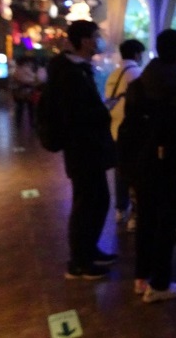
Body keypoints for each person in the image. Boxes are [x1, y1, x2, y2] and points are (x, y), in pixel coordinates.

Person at [123, 29, 176, 303]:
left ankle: (142, 278)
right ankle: (160, 284)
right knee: (166, 224)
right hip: (172, 167)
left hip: (142, 164)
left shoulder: (138, 86)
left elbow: (130, 129)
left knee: (146, 219)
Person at [45, 20, 117, 280]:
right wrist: (103, 110)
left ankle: (89, 250)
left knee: (96, 200)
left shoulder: (76, 69)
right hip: (82, 148)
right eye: (96, 36)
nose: (99, 41)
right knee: (88, 203)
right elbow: (75, 115)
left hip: (86, 147)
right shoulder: (70, 73)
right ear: (85, 41)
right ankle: (79, 262)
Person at [104, 39, 145, 232]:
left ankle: (121, 209)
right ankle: (135, 215)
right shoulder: (136, 73)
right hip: (131, 132)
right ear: (137, 54)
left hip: (114, 130)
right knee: (134, 173)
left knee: (120, 172)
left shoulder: (113, 74)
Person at [11, 56, 39, 129]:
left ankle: (18, 124)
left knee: (20, 108)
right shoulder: (26, 69)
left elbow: (15, 78)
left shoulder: (17, 69)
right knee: (30, 108)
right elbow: (34, 77)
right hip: (28, 91)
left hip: (19, 91)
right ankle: (32, 123)